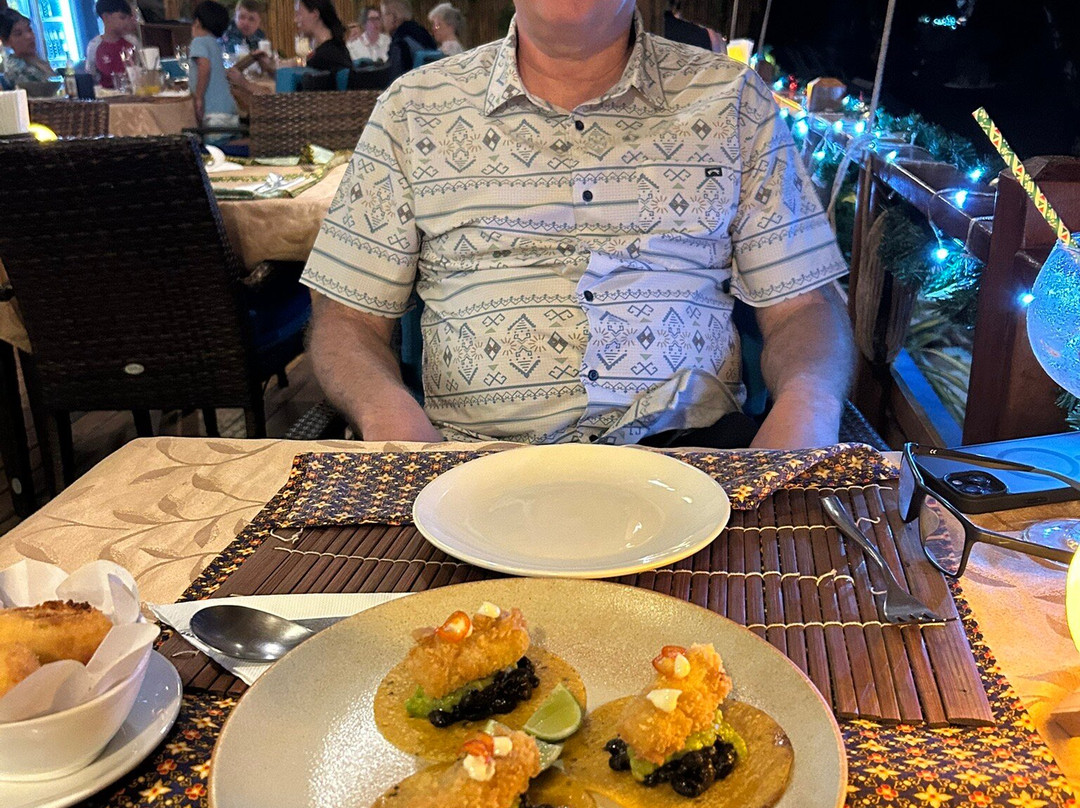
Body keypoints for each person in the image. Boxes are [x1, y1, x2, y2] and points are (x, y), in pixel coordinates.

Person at [301, 0, 854, 450]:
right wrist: (386, 411)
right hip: (472, 469)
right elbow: (346, 317)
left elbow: (804, 307)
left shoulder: (735, 102)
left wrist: (810, 403)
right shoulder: (411, 110)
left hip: (693, 463)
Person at [253, 0, 350, 76]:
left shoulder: (325, 56)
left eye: (298, 14)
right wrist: (270, 66)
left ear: (315, 14)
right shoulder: (334, 49)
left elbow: (293, 89)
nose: (295, 20)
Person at [189, 1, 239, 140]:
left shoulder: (198, 42)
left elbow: (204, 66)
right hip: (228, 108)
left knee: (212, 147)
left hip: (213, 111)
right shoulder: (215, 44)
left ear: (197, 22)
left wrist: (199, 97)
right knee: (227, 144)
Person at [381, 0, 436, 81]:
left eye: (384, 15)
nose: (382, 20)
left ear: (394, 17)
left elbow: (395, 81)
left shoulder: (400, 42)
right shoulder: (425, 35)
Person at [87, 0, 137, 88]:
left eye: (128, 18)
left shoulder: (132, 42)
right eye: (122, 18)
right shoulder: (94, 46)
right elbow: (91, 76)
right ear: (106, 17)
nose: (126, 22)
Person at [0, 10, 55, 85]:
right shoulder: (18, 70)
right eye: (18, 34)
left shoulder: (35, 61)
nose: (28, 36)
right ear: (6, 41)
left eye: (29, 30)